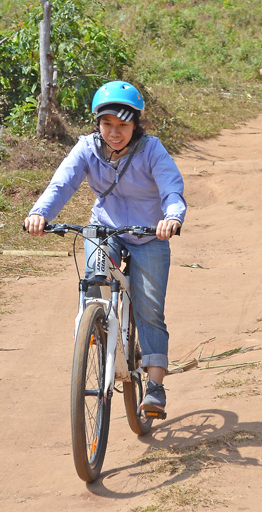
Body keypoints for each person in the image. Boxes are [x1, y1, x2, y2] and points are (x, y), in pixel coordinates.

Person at [24, 80, 186, 415]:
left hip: (149, 234)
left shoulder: (152, 149)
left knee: (150, 310)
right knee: (95, 280)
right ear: (98, 123)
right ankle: (93, 328)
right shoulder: (87, 148)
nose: (115, 132)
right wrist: (40, 213)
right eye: (107, 124)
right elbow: (63, 183)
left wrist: (172, 217)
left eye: (123, 125)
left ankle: (154, 386)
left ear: (135, 125)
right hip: (105, 229)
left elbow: (171, 188)